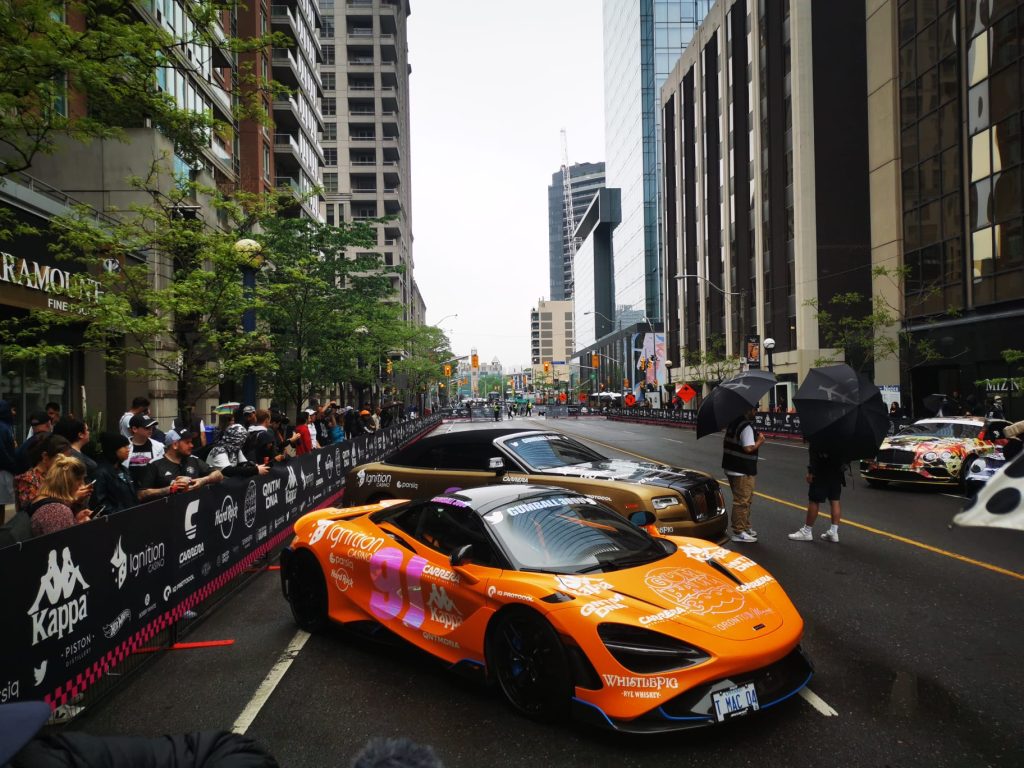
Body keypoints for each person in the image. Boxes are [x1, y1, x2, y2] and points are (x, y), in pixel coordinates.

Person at [722, 406, 765, 543]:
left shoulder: (734, 422)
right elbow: (748, 448)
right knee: (742, 501)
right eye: (754, 409)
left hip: (731, 466)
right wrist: (760, 441)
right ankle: (739, 531)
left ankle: (745, 526)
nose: (755, 412)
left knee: (744, 499)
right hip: (741, 468)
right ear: (747, 410)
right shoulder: (745, 426)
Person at [788, 443, 846, 543]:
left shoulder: (820, 433)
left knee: (814, 500)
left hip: (821, 470)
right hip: (837, 471)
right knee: (835, 499)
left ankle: (807, 531)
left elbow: (814, 453)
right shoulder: (843, 433)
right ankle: (834, 532)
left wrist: (811, 471)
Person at [26, 455, 93, 537]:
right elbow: (67, 545)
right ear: (70, 484)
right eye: (80, 482)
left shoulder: (44, 500)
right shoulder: (58, 512)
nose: (82, 485)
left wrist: (75, 521)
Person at [14, 434, 71, 513]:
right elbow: (33, 511)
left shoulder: (56, 476)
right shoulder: (28, 480)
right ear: (45, 457)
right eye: (61, 459)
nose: (65, 464)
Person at [92, 432, 139, 517]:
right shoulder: (100, 473)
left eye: (128, 446)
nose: (128, 449)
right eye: (124, 447)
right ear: (113, 449)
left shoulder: (124, 470)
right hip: (115, 521)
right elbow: (100, 503)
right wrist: (118, 515)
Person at [53, 415, 97, 481]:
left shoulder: (74, 452)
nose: (89, 432)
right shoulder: (74, 456)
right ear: (80, 435)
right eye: (87, 430)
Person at [124, 413, 164, 486]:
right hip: (129, 489)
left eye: (151, 427)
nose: (150, 430)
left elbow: (162, 468)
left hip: (152, 489)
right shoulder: (123, 446)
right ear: (134, 429)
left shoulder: (159, 447)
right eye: (147, 428)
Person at [0, 399, 17, 521]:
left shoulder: (6, 426)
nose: (14, 412)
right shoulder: (3, 427)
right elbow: (2, 452)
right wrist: (13, 465)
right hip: (4, 471)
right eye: (11, 409)